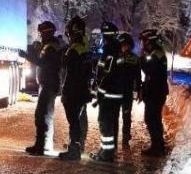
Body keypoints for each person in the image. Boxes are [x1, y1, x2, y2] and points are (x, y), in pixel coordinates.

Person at [18, 21, 64, 156]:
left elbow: (43, 62)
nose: (40, 36)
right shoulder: (50, 46)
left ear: (47, 33)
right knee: (45, 114)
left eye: (42, 33)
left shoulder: (51, 47)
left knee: (42, 114)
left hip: (49, 84)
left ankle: (41, 146)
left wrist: (27, 55)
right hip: (47, 83)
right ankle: (45, 145)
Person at [91, 22, 131, 162]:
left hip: (109, 95)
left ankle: (106, 154)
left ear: (105, 36)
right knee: (112, 123)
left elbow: (106, 75)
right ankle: (107, 150)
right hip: (116, 95)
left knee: (104, 122)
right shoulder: (117, 50)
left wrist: (99, 92)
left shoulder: (109, 50)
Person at [57, 15, 94, 161]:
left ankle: (74, 149)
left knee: (73, 121)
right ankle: (77, 146)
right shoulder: (86, 48)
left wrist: (65, 92)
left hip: (73, 91)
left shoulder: (73, 50)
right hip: (83, 90)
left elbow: (69, 73)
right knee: (79, 120)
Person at [139, 28, 170, 156]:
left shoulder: (156, 54)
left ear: (148, 41)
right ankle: (158, 145)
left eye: (143, 40)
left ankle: (157, 146)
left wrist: (141, 60)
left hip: (156, 92)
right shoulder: (156, 52)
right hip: (155, 91)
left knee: (151, 119)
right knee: (154, 118)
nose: (142, 43)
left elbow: (150, 71)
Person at [118, 32, 141, 149]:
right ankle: (113, 138)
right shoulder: (116, 56)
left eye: (127, 45)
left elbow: (138, 77)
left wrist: (139, 90)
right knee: (114, 116)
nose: (125, 47)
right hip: (116, 91)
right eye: (123, 45)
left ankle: (125, 138)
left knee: (126, 116)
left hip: (127, 92)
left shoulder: (135, 59)